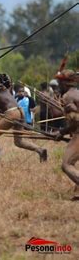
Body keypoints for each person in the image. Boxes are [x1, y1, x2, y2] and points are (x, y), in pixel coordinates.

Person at [0, 74, 47, 162]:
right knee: (18, 142)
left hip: (12, 113)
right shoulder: (4, 89)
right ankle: (40, 150)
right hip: (20, 111)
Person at [54, 69, 79, 200]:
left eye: (59, 82)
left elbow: (76, 121)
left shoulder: (68, 96)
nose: (58, 85)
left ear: (65, 83)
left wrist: (61, 132)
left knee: (67, 164)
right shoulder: (77, 93)